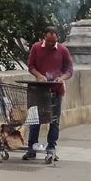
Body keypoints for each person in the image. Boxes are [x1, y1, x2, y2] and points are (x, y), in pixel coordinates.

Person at [23, 26, 74, 164]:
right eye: (49, 41)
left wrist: (62, 78)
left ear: (57, 38)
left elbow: (69, 69)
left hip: (56, 90)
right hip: (39, 90)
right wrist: (39, 75)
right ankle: (32, 148)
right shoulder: (36, 48)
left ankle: (51, 148)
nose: (52, 44)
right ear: (44, 38)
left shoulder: (62, 50)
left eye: (54, 41)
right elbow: (31, 66)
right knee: (35, 120)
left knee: (54, 121)